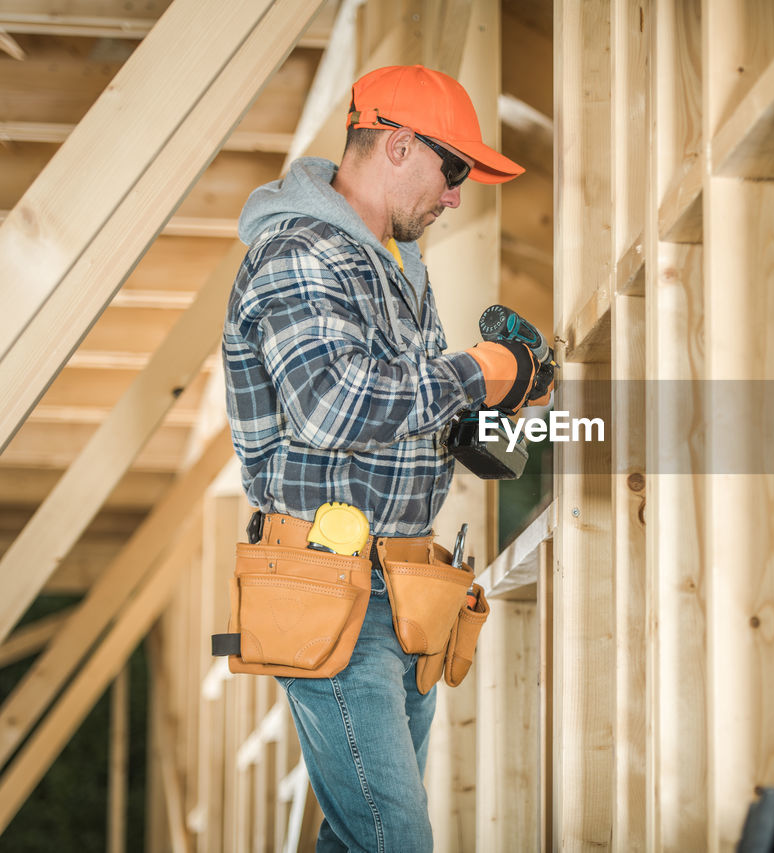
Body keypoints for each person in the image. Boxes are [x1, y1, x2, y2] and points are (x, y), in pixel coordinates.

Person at [222, 65, 540, 852]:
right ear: (397, 144)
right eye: (454, 168)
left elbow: (396, 412)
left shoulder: (396, 269)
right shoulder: (298, 253)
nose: (458, 194)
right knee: (394, 838)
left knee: (360, 838)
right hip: (331, 588)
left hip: (399, 595)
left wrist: (487, 400)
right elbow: (332, 407)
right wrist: (473, 370)